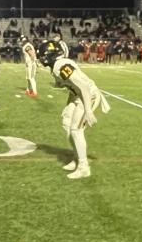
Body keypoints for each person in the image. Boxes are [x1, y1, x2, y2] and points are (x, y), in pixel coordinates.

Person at [37, 40, 110, 180]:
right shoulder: (57, 65)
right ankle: (77, 157)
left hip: (88, 95)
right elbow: (69, 84)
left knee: (76, 129)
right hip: (76, 95)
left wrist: (88, 110)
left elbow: (83, 87)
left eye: (43, 56)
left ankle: (84, 167)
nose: (41, 59)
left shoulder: (61, 66)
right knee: (66, 123)